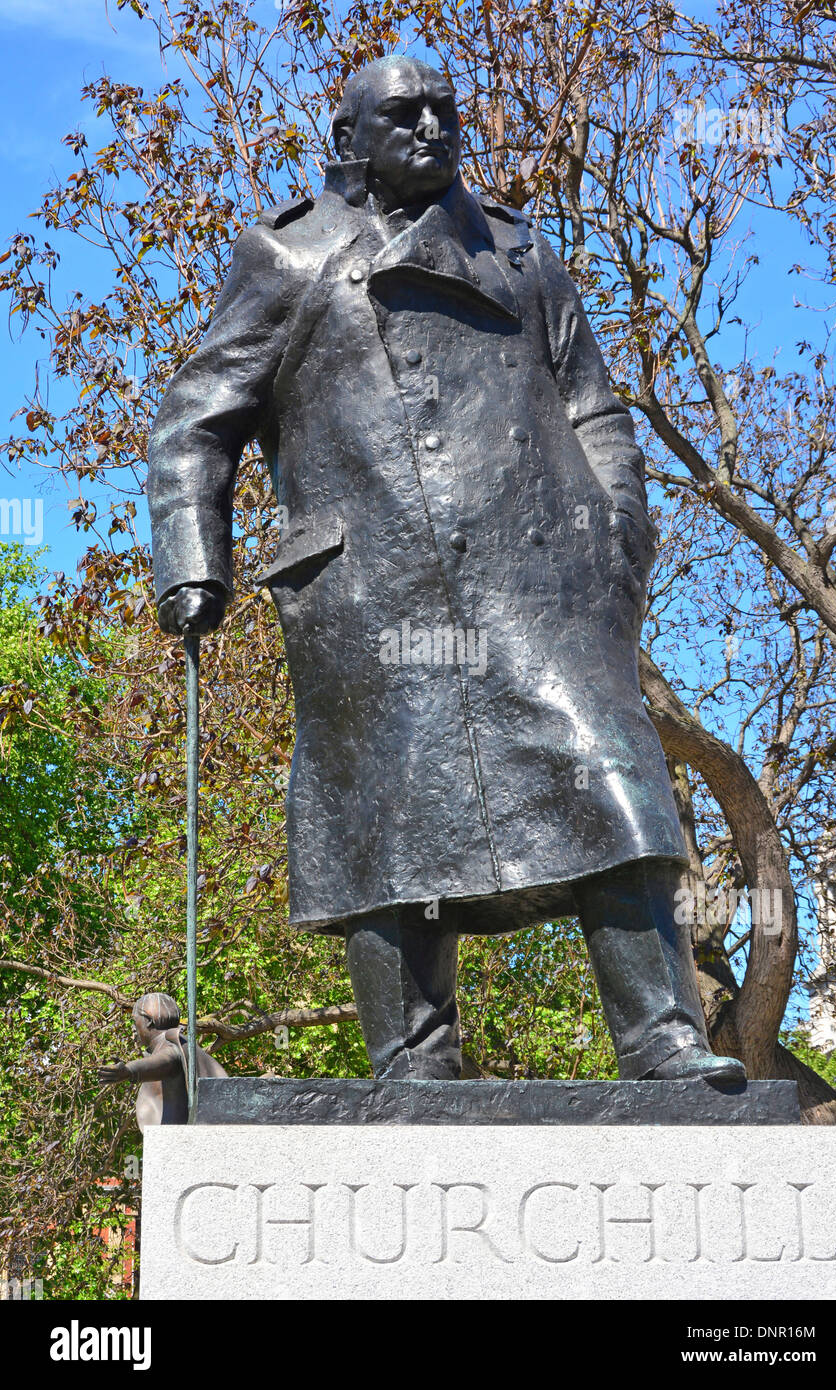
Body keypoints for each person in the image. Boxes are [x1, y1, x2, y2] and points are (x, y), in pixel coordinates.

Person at [147, 56, 745, 1086]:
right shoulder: (285, 259)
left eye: (442, 111)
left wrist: (619, 537)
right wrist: (193, 561)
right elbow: (195, 424)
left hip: (542, 579)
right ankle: (415, 1062)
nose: (429, 129)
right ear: (349, 135)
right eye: (400, 114)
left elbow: (594, 406)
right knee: (385, 821)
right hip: (368, 592)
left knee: (615, 783)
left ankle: (661, 1039)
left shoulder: (518, 254)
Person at [97, 992, 226, 1127]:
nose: (133, 1029)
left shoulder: (171, 1043)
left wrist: (130, 1070)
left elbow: (165, 1061)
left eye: (135, 1021)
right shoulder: (177, 1042)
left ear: (149, 1021)